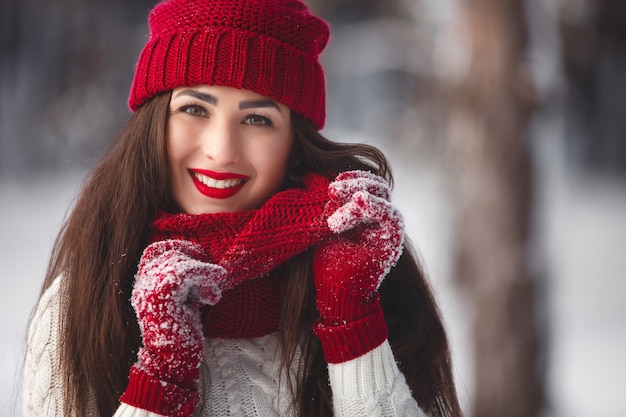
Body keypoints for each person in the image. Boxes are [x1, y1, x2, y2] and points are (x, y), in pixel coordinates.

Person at [22, 0, 462, 416]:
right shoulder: (82, 299)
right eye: (194, 108)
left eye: (257, 119)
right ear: (155, 121)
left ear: (294, 143)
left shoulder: (362, 268)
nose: (221, 150)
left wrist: (352, 321)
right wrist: (158, 382)